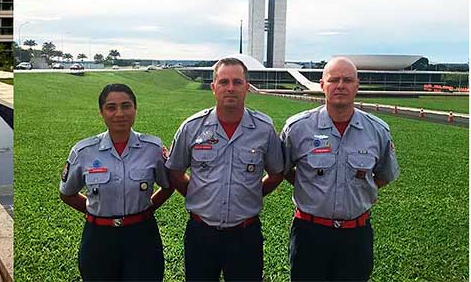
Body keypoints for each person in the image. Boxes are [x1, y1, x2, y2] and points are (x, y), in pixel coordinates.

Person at [165, 57, 285, 281]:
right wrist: (198, 194)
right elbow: (175, 171)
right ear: (213, 88)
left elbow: (277, 172)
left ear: (247, 87)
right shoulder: (192, 127)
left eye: (237, 82)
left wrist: (251, 193)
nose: (230, 88)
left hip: (245, 234)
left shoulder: (264, 128)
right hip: (201, 233)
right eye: (224, 82)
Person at [281, 57, 400, 281]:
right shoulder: (297, 128)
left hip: (356, 235)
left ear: (357, 85)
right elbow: (283, 169)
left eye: (347, 80)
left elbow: (385, 174)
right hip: (309, 233)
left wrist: (360, 189)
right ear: (322, 85)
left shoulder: (377, 130)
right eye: (334, 80)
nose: (341, 85)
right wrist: (309, 186)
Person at [59, 83, 174, 281]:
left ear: (135, 109)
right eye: (111, 107)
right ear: (101, 112)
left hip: (142, 236)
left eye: (126, 106)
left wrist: (148, 208)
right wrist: (95, 210)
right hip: (98, 237)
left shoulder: (153, 148)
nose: (119, 113)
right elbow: (67, 193)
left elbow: (168, 185)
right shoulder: (83, 152)